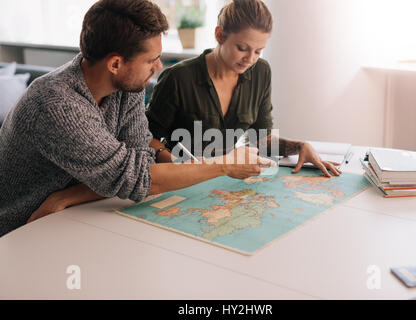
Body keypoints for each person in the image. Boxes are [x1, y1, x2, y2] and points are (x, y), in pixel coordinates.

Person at [0, 0, 273, 237]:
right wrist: (224, 165)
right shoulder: (58, 106)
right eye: (152, 60)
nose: (159, 67)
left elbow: (141, 161)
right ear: (115, 63)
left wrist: (69, 196)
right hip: (23, 230)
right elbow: (139, 180)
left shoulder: (125, 86)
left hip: (77, 212)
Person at [146, 0, 341, 177]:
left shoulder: (261, 71)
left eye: (258, 51)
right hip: (182, 179)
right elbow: (146, 139)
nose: (250, 59)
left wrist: (300, 147)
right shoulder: (177, 78)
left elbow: (261, 139)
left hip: (226, 179)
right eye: (242, 48)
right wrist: (177, 164)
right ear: (220, 35)